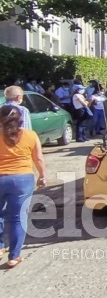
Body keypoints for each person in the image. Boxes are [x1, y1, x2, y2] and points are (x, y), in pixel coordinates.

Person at [0, 105, 46, 268]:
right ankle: (14, 256)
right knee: (18, 218)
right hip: (22, 179)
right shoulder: (30, 135)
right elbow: (38, 159)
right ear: (20, 119)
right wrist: (42, 175)